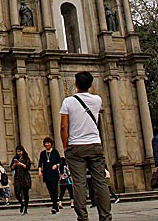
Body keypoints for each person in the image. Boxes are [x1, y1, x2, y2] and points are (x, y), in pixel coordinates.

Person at [60, 71, 112, 221]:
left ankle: (83, 217)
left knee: (79, 183)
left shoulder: (68, 102)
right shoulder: (97, 100)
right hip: (95, 144)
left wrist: (65, 145)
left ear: (76, 84)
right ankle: (106, 217)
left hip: (76, 146)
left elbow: (64, 126)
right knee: (100, 182)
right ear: (91, 85)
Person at [37, 137, 61, 214]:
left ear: (51, 144)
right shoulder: (43, 153)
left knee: (54, 189)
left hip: (54, 173)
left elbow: (60, 161)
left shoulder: (55, 152)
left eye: (48, 143)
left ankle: (54, 206)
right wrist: (40, 171)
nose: (47, 144)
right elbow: (40, 163)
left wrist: (56, 165)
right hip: (47, 173)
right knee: (50, 190)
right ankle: (55, 205)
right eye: (46, 143)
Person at [10, 145, 31, 215]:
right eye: (17, 151)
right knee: (17, 193)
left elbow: (28, 167)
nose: (19, 153)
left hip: (25, 177)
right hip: (17, 177)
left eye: (20, 151)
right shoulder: (15, 158)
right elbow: (12, 168)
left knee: (25, 194)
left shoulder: (26, 158)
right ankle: (22, 204)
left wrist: (20, 164)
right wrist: (15, 164)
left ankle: (26, 208)